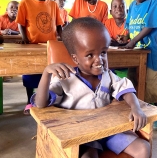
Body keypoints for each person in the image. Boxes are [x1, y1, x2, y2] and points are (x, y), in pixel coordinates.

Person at [31, 17, 150, 158]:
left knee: (143, 148)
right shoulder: (66, 79)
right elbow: (41, 103)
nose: (99, 59)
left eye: (103, 52)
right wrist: (46, 74)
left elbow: (126, 89)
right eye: (90, 55)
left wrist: (136, 108)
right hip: (82, 135)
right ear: (75, 59)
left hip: (109, 129)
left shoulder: (108, 75)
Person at [122, 0, 157, 131]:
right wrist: (125, 37)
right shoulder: (133, 5)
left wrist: (133, 41)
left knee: (151, 84)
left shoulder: (155, 1)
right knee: (133, 81)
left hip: (150, 52)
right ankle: (138, 109)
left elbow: (150, 27)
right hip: (134, 53)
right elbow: (128, 26)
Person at [15, 0, 63, 115]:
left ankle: (46, 98)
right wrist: (25, 38)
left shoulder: (53, 4)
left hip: (50, 47)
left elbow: (59, 25)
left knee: (50, 74)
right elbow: (21, 23)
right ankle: (30, 101)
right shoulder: (25, 2)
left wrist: (63, 39)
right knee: (30, 74)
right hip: (32, 46)